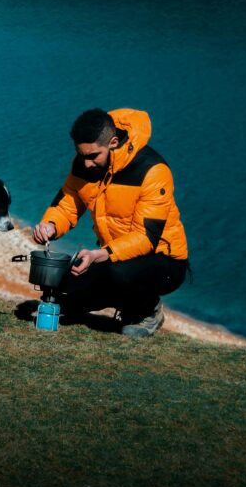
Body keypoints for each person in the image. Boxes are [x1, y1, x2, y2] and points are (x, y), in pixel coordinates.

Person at [32, 107, 188, 337]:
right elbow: (69, 203)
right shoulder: (84, 162)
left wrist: (99, 255)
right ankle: (121, 296)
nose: (86, 164)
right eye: (81, 155)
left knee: (120, 275)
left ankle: (146, 311)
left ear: (113, 142)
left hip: (164, 260)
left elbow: (146, 238)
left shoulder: (153, 171)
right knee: (61, 291)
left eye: (93, 156)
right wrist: (51, 226)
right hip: (113, 256)